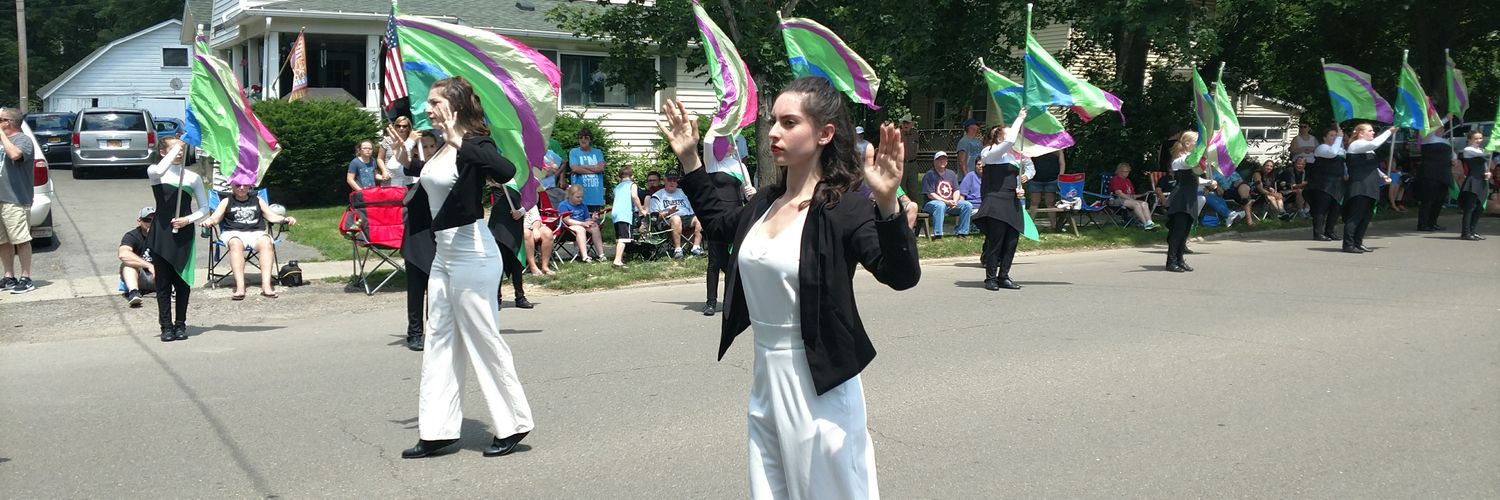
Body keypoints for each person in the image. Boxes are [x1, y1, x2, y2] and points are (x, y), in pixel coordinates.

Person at [659, 77, 920, 500]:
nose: (774, 132)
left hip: (820, 378)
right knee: (771, 490)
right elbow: (722, 224)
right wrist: (691, 160)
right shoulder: (765, 202)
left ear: (824, 133)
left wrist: (888, 204)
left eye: (789, 122)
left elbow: (900, 275)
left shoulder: (845, 206)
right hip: (766, 375)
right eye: (772, 122)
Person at [401, 76, 534, 460]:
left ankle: (514, 422)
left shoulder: (474, 142)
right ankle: (438, 431)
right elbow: (432, 188)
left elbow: (505, 170)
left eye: (433, 101)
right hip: (443, 255)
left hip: (473, 253)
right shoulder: (439, 147)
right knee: (439, 339)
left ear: (453, 105)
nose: (427, 108)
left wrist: (458, 139)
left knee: (483, 338)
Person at [147, 138, 209, 341]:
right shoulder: (155, 171)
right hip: (161, 233)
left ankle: (180, 324)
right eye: (173, 149)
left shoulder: (192, 177)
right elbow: (158, 171)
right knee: (163, 284)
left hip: (183, 233)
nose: (180, 152)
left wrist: (187, 220)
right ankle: (166, 326)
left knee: (182, 283)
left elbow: (204, 208)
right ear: (163, 152)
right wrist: (179, 146)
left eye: (182, 149)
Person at [200, 181, 297, 299]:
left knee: (266, 242)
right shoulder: (226, 201)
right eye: (238, 185)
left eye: (245, 185)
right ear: (232, 186)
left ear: (249, 186)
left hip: (256, 232)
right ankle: (240, 287)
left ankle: (266, 286)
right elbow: (216, 217)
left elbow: (271, 216)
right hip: (233, 233)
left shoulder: (257, 199)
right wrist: (209, 221)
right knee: (235, 243)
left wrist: (285, 219)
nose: (241, 188)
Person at [974, 112, 1030, 290]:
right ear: (998, 137)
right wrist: (1019, 118)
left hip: (1011, 201)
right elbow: (1010, 141)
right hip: (995, 201)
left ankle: (1004, 276)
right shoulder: (988, 153)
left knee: (1012, 240)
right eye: (1007, 133)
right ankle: (990, 278)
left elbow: (1025, 170)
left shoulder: (1014, 157)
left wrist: (1021, 185)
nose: (1013, 136)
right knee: (996, 240)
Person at [403, 131, 440, 351]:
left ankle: (434, 331)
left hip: (437, 237)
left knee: (436, 290)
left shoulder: (444, 170)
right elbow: (401, 163)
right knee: (416, 289)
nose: (428, 151)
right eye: (423, 147)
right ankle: (414, 333)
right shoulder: (413, 170)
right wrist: (407, 144)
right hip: (416, 237)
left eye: (431, 146)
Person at [1164, 132, 1215, 272]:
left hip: (1190, 197)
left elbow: (1195, 179)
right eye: (1197, 142)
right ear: (1187, 144)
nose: (1200, 145)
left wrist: (1209, 182)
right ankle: (1171, 261)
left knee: (1185, 231)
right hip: (1181, 198)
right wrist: (1200, 155)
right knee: (1177, 231)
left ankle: (1180, 260)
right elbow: (1188, 164)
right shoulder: (1179, 160)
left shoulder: (1192, 160)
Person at [1342, 123, 1395, 253]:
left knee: (1366, 216)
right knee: (1356, 215)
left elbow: (1373, 167)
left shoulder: (1368, 149)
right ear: (1360, 133)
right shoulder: (1356, 145)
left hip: (1370, 185)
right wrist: (1389, 132)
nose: (1373, 133)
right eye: (1370, 131)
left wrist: (1383, 176)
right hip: (1360, 185)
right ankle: (1348, 244)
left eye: (1373, 131)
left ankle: (1358, 242)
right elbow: (1375, 144)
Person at [0, 107, 36, 294]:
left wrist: (1, 135)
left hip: (15, 199)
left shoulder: (23, 140)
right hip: (0, 199)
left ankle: (26, 277)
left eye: (0, 120)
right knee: (3, 241)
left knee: (21, 239)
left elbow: (15, 155)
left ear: (8, 122)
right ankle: (8, 276)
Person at [487, 184, 534, 308]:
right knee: (498, 263)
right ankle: (496, 298)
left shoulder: (523, 178)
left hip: (515, 221)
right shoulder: (500, 176)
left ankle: (520, 297)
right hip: (499, 224)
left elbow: (533, 198)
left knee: (516, 261)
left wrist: (521, 211)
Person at [649, 172, 703, 259]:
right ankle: (678, 249)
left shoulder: (684, 193)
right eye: (669, 180)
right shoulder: (657, 195)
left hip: (687, 218)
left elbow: (693, 208)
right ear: (664, 181)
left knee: (700, 218)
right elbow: (654, 218)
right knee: (676, 218)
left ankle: (696, 247)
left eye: (674, 180)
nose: (672, 182)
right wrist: (668, 213)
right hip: (667, 221)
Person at [920, 150, 973, 238]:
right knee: (940, 205)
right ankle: (938, 234)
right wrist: (946, 202)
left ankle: (962, 232)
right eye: (939, 159)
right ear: (934, 162)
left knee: (967, 205)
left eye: (944, 159)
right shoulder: (929, 175)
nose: (942, 161)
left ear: (947, 161)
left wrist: (954, 201)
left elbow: (956, 190)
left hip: (949, 203)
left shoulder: (951, 174)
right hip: (931, 203)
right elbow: (931, 195)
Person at [1415, 125, 1456, 231]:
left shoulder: (1446, 141)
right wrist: (1447, 118)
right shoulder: (1427, 138)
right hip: (1430, 173)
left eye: (1443, 128)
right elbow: (1432, 128)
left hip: (1443, 174)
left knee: (1439, 200)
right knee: (1428, 200)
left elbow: (1453, 153)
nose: (1442, 130)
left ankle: (1432, 222)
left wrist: (1454, 159)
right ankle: (1422, 224)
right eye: (1440, 128)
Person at [1309, 127, 1346, 241]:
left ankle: (1330, 231)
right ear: (1324, 138)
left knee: (1335, 208)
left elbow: (1345, 162)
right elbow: (1332, 153)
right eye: (1331, 135)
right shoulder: (1322, 148)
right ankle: (1318, 233)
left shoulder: (1340, 149)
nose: (1335, 137)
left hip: (1337, 182)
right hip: (1323, 183)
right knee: (1321, 208)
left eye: (1336, 135)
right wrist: (1340, 137)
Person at [1456, 130, 1493, 240]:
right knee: (1470, 207)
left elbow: (1485, 164)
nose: (1478, 140)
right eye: (1475, 138)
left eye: (1480, 138)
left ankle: (1472, 231)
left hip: (1482, 180)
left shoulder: (1481, 150)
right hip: (1473, 180)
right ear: (1469, 140)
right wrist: (1493, 146)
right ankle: (1466, 233)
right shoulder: (1468, 149)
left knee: (1479, 207)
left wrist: (1488, 173)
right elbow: (1484, 154)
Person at [118, 207, 158, 307]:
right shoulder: (132, 236)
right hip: (140, 277)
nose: (151, 223)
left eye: (154, 220)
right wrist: (149, 265)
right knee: (127, 265)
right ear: (139, 221)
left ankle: (172, 291)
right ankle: (134, 292)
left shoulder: (163, 236)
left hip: (159, 276)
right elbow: (123, 254)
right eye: (147, 220)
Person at [610, 166, 647, 268]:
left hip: (615, 214)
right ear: (632, 176)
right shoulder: (632, 185)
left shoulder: (617, 187)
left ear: (619, 177)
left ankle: (620, 258)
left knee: (619, 237)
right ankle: (617, 260)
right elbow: (634, 197)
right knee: (624, 238)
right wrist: (641, 209)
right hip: (624, 214)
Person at [558, 184, 604, 262]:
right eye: (578, 197)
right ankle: (585, 256)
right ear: (570, 196)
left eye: (582, 197)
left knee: (594, 226)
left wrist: (592, 220)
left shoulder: (583, 206)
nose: (580, 199)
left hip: (581, 225)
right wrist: (582, 224)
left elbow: (587, 219)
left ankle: (601, 254)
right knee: (580, 229)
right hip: (567, 228)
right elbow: (567, 221)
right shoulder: (564, 205)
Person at [1108, 163, 1156, 230]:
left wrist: (1143, 194)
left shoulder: (1128, 181)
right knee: (1136, 204)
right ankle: (1145, 224)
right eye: (1124, 171)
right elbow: (1119, 193)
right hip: (1115, 200)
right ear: (1119, 171)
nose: (1126, 173)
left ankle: (1150, 223)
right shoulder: (1115, 179)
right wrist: (1132, 200)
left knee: (1144, 203)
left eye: (1128, 171)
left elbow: (1132, 195)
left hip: (1127, 200)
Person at [568, 129, 607, 212]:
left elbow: (601, 168)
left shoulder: (598, 152)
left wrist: (582, 167)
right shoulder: (574, 152)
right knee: (579, 222)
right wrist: (595, 169)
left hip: (595, 196)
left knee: (594, 223)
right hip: (578, 196)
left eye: (586, 138)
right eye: (580, 137)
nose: (583, 140)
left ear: (590, 140)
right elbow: (575, 168)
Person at [1028, 150, 1066, 228]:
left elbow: (1062, 164)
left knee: (1050, 203)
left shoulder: (1057, 149)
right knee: (1034, 202)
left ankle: (1053, 226)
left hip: (1052, 180)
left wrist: (1060, 176)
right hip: (1035, 179)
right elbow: (1027, 162)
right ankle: (1029, 227)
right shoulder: (1034, 147)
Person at [378, 116, 416, 187]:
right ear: (395, 127)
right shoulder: (387, 141)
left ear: (408, 128)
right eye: (398, 126)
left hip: (406, 179)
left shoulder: (412, 142)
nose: (401, 128)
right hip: (389, 178)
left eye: (404, 126)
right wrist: (384, 171)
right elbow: (380, 158)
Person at [522, 199, 555, 276]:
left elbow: (537, 219)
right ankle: (533, 267)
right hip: (520, 228)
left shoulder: (530, 202)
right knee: (527, 234)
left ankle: (545, 267)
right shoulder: (510, 204)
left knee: (548, 233)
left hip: (534, 226)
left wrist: (536, 229)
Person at [900, 115, 921, 200]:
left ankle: (913, 209)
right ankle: (899, 210)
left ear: (911, 124)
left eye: (907, 123)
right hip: (901, 164)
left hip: (913, 164)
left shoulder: (915, 134)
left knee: (913, 189)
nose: (905, 125)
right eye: (904, 123)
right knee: (900, 189)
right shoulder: (897, 134)